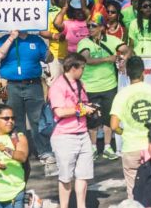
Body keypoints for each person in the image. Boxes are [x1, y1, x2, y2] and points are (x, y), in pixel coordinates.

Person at [0, 29, 56, 176]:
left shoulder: (35, 40)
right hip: (11, 85)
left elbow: (49, 58)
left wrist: (49, 49)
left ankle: (45, 152)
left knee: (37, 119)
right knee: (14, 120)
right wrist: (11, 38)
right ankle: (19, 152)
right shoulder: (4, 39)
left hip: (33, 84)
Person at [111, 56, 151, 196]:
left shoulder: (121, 95)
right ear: (144, 72)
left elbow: (113, 126)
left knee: (133, 191)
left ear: (126, 73)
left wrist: (123, 131)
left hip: (130, 148)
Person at [77, 12, 129, 161]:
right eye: (88, 26)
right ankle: (93, 147)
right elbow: (86, 59)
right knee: (92, 119)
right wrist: (108, 58)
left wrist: (124, 60)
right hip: (90, 86)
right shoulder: (84, 42)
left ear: (101, 27)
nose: (90, 29)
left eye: (93, 26)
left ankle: (107, 146)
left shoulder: (113, 40)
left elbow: (127, 49)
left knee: (108, 117)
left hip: (109, 85)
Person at [47, 55, 97, 208]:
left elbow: (83, 104)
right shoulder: (58, 86)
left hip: (82, 134)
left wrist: (91, 108)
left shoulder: (80, 83)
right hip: (64, 136)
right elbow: (60, 112)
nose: (83, 71)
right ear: (73, 68)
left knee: (84, 175)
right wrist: (82, 110)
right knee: (66, 177)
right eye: (82, 68)